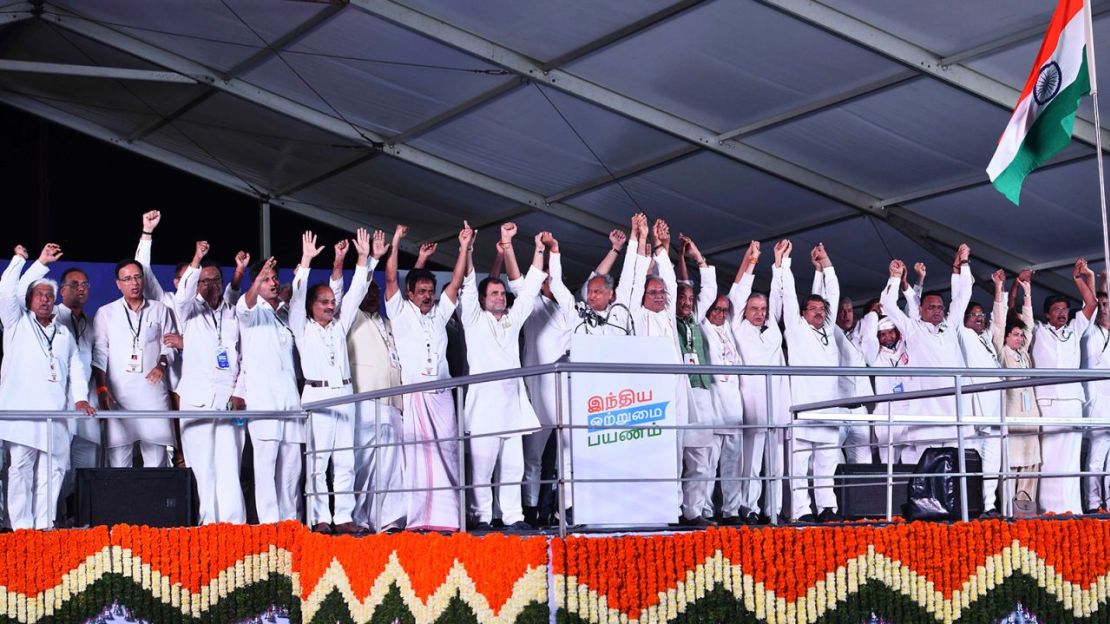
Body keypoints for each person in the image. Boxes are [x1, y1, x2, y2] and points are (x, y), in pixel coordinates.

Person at [291, 229, 381, 534]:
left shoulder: (339, 326)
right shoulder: (301, 328)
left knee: (345, 460)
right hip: (316, 396)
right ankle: (320, 519)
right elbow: (298, 292)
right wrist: (306, 260)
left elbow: (356, 291)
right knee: (317, 464)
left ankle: (343, 517)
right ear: (312, 305)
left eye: (332, 301)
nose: (330, 306)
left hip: (344, 393)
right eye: (324, 302)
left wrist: (364, 257)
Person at [0, 244, 95, 529]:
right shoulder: (16, 324)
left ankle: (44, 523)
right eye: (39, 295)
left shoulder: (63, 332)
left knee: (53, 470)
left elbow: (76, 369)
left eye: (49, 296)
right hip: (23, 412)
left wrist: (80, 399)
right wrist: (30, 261)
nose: (44, 300)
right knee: (21, 469)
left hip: (56, 412)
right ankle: (22, 527)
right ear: (29, 300)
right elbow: (7, 290)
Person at [460, 223, 546, 531]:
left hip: (512, 405)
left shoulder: (512, 319)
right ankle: (481, 518)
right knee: (481, 470)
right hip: (483, 407)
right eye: (494, 293)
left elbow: (531, 288)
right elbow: (468, 284)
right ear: (483, 299)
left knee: (513, 467)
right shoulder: (472, 319)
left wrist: (536, 248)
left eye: (501, 293)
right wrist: (467, 248)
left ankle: (513, 517)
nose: (500, 296)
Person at [385, 222, 468, 531]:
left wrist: (463, 247)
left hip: (442, 393)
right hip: (416, 393)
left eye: (430, 292)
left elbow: (456, 282)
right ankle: (421, 518)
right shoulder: (400, 313)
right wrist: (395, 243)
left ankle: (449, 517)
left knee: (446, 448)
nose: (427, 297)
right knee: (418, 455)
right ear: (410, 294)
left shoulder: (440, 314)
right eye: (421, 292)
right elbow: (391, 276)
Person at [172, 241, 249, 524]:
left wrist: (240, 393)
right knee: (203, 467)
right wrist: (196, 259)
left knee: (230, 464)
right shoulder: (187, 311)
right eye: (203, 281)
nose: (209, 285)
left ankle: (234, 524)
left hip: (229, 400)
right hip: (196, 400)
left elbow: (244, 357)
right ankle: (209, 523)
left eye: (215, 280)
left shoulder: (234, 311)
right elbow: (181, 297)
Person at [878, 247, 973, 464]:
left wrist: (963, 263)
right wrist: (894, 278)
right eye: (931, 307)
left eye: (940, 307)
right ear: (920, 309)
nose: (937, 310)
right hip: (926, 416)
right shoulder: (912, 328)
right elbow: (888, 305)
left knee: (956, 470)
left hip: (954, 413)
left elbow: (965, 292)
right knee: (925, 472)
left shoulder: (950, 326)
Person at [775, 240, 843, 522]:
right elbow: (789, 296)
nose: (818, 312)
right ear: (803, 313)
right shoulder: (796, 328)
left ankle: (828, 507)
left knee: (827, 462)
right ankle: (802, 510)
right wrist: (784, 262)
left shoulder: (827, 328)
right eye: (812, 308)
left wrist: (826, 263)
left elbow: (834, 293)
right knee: (800, 464)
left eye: (821, 309)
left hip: (829, 409)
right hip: (803, 409)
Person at [237, 256, 304, 524]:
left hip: (289, 401)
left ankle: (289, 522)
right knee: (265, 467)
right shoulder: (250, 313)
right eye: (266, 279)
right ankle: (269, 524)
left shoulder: (285, 314)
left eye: (275, 277)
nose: (273, 282)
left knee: (291, 468)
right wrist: (257, 277)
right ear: (256, 283)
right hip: (263, 403)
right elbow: (246, 303)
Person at [516, 232, 577, 527]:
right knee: (534, 457)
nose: (548, 284)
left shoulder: (568, 309)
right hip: (536, 389)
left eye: (551, 280)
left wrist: (556, 252)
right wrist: (540, 251)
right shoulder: (530, 306)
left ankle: (563, 508)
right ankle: (530, 509)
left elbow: (561, 286)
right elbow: (521, 283)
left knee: (567, 454)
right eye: (544, 280)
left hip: (562, 392)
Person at [92, 259, 177, 468]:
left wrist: (162, 365)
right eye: (127, 279)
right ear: (118, 284)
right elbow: (100, 353)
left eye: (138, 277)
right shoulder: (106, 313)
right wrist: (102, 388)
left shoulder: (160, 309)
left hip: (153, 396)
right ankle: (119, 502)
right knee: (119, 465)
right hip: (119, 397)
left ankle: (156, 502)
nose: (134, 283)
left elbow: (171, 346)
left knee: (157, 464)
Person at [728, 241, 790, 524]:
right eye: (754, 307)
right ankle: (749, 507)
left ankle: (773, 509)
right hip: (752, 403)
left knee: (776, 463)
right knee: (751, 461)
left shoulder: (773, 327)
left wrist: (779, 262)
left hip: (777, 403)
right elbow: (738, 290)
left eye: (762, 308)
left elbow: (780, 296)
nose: (760, 312)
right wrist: (751, 261)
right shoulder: (738, 327)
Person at [1030, 257, 1097, 514]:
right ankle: (1049, 509)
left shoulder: (1074, 329)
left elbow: (1091, 303)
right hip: (1047, 401)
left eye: (1064, 309)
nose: (1061, 313)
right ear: (1047, 314)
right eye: (1056, 309)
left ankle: (1072, 508)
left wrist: (1079, 280)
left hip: (1071, 400)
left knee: (1070, 455)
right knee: (1049, 456)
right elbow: (1020, 319)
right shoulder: (1038, 331)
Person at [346, 272, 405, 533]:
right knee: (362, 466)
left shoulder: (388, 322)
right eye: (366, 291)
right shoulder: (350, 319)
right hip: (364, 401)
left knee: (390, 467)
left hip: (392, 402)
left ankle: (386, 520)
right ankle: (356, 519)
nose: (372, 295)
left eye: (374, 291)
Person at [673, 235, 718, 522]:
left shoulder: (695, 319)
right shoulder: (666, 319)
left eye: (691, 299)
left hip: (701, 392)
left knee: (701, 460)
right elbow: (675, 282)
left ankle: (693, 512)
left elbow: (710, 288)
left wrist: (696, 256)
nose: (689, 303)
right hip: (677, 393)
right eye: (683, 298)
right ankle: (673, 511)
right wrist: (677, 261)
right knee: (674, 459)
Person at [991, 269, 1040, 509]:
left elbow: (1029, 325)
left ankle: (1025, 507)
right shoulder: (1002, 352)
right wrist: (999, 290)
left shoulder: (1023, 353)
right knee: (1010, 463)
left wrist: (1028, 292)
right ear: (1006, 337)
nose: (1020, 338)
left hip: (1030, 416)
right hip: (1011, 415)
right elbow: (999, 324)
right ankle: (1008, 507)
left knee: (1031, 463)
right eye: (1015, 335)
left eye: (1021, 335)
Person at [700, 279, 744, 523]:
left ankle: (731, 510)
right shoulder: (703, 327)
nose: (720, 314)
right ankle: (706, 511)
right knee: (708, 465)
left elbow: (739, 290)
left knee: (733, 465)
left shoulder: (729, 328)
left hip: (734, 408)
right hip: (714, 408)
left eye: (724, 310)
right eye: (715, 309)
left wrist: (751, 261)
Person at [55, 266, 100, 492]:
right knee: (59, 465)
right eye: (74, 284)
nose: (81, 289)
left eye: (85, 285)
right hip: (61, 401)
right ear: (62, 290)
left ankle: (80, 517)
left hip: (87, 404)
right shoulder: (51, 318)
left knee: (87, 463)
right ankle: (56, 518)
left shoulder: (91, 323)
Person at [958, 295, 1003, 516]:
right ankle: (973, 505)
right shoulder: (962, 334)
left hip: (994, 408)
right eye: (974, 315)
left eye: (981, 315)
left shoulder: (985, 338)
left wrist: (998, 290)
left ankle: (990, 504)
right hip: (974, 407)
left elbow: (998, 321)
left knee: (993, 460)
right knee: (972, 459)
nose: (979, 318)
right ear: (964, 318)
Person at [1086, 286, 1110, 512]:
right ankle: (1094, 503)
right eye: (1100, 305)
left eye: (1106, 304)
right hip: (1097, 405)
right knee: (1095, 460)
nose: (1103, 309)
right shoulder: (1091, 334)